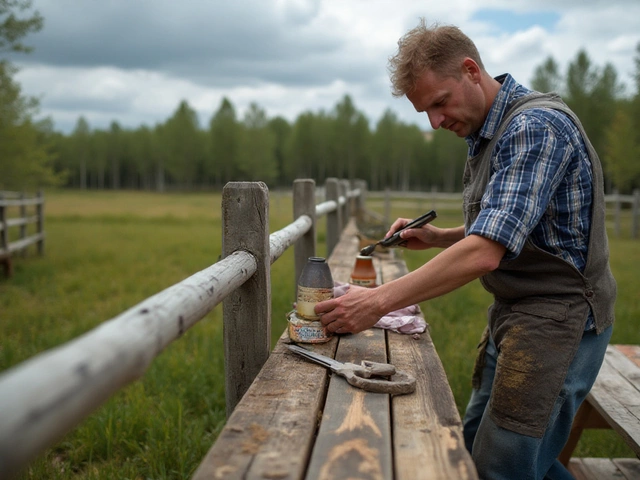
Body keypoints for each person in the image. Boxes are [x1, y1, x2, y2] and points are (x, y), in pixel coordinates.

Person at [314, 19, 616, 480]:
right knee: (477, 442)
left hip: (561, 320)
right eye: (426, 113)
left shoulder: (535, 127)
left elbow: (486, 251)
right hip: (516, 313)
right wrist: (440, 236)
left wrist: (375, 302)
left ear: (471, 71)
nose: (436, 122)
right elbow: (513, 224)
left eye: (439, 103)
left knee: (503, 465)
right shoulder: (486, 129)